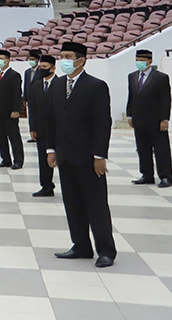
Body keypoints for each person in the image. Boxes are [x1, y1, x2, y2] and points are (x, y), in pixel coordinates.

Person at [47, 41, 116, 268]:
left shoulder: (96, 86)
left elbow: (102, 123)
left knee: (96, 204)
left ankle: (106, 250)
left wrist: (99, 155)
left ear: (81, 60)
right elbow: (52, 121)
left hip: (88, 158)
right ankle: (81, 245)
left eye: (68, 56)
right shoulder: (57, 85)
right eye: (62, 55)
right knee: (72, 203)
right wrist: (51, 150)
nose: (63, 60)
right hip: (65, 156)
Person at [127, 50, 172, 188]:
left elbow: (166, 99)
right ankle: (147, 175)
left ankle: (165, 176)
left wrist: (164, 119)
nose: (139, 62)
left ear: (150, 61)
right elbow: (131, 97)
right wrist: (130, 114)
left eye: (142, 59)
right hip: (139, 119)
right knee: (142, 148)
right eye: (137, 59)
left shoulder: (161, 77)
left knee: (161, 149)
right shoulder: (132, 76)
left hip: (156, 120)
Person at [28, 55, 57, 197]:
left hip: (58, 129)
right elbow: (32, 109)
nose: (42, 70)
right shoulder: (35, 86)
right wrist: (32, 127)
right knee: (43, 159)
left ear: (53, 68)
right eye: (41, 67)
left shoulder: (61, 84)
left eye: (45, 67)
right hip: (41, 129)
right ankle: (46, 186)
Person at [0, 49, 24, 169]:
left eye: (2, 59)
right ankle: (5, 159)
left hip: (10, 112)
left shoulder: (14, 75)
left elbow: (17, 94)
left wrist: (16, 110)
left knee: (14, 137)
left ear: (8, 60)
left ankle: (18, 160)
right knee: (1, 137)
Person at [24, 49, 42, 143]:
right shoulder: (27, 72)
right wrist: (25, 98)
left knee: (39, 116)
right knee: (31, 116)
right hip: (30, 99)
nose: (31, 61)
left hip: (39, 98)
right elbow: (26, 85)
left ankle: (39, 134)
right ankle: (33, 134)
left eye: (33, 59)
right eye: (30, 59)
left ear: (37, 60)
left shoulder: (41, 71)